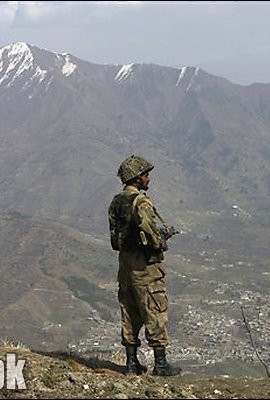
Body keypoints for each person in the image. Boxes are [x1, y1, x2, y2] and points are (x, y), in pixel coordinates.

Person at [108, 155, 181, 376]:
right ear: (137, 178)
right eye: (145, 175)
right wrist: (163, 238)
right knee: (155, 310)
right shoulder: (142, 203)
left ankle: (131, 364)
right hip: (145, 267)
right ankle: (160, 365)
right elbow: (151, 234)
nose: (148, 178)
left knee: (129, 312)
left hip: (125, 267)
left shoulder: (117, 201)